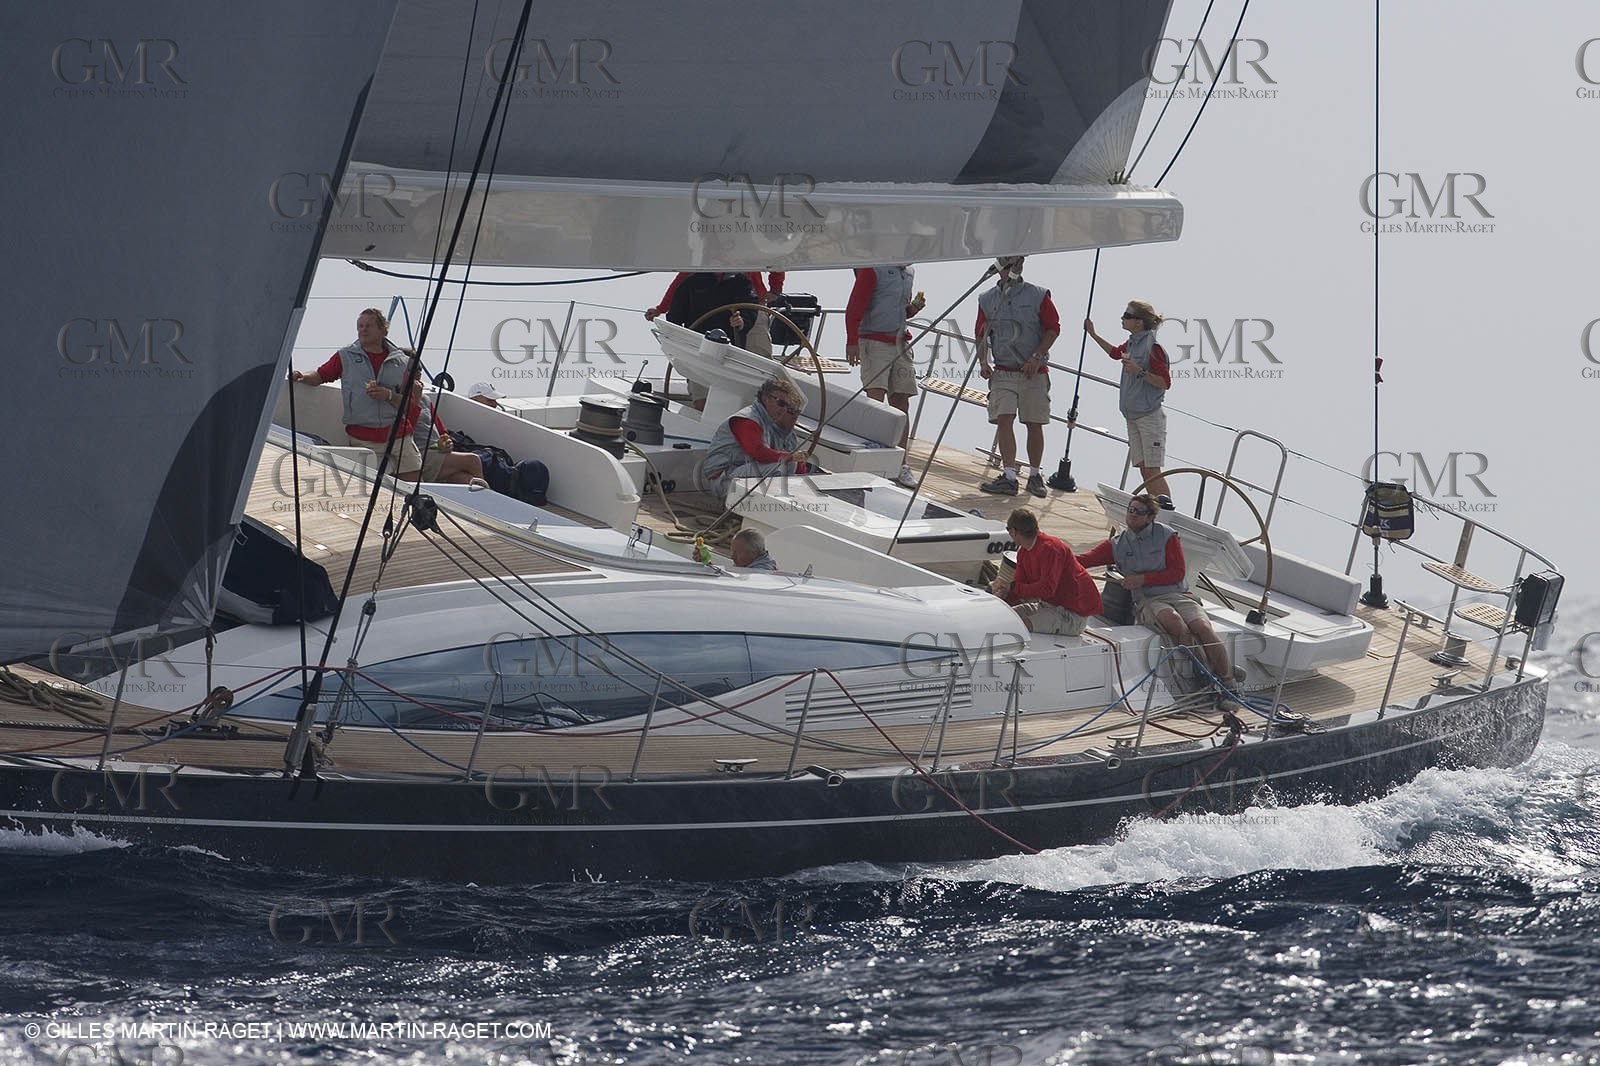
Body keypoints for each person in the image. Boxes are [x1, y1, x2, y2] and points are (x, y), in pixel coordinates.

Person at [1079, 493, 1241, 710]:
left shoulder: (1166, 536)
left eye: (1139, 512)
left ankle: (1229, 682)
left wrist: (1142, 579)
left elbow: (1177, 572)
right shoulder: (1117, 545)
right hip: (1149, 601)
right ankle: (1205, 675)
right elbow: (1085, 560)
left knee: (1203, 627)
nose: (1132, 514)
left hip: (1179, 595)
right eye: (1130, 509)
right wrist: (1053, 555)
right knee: (1175, 623)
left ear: (1150, 517)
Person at [290, 308, 425, 480]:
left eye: (369, 326)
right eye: (360, 326)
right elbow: (320, 375)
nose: (363, 330)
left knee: (412, 479)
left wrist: (389, 395)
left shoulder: (403, 362)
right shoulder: (345, 356)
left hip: (399, 436)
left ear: (384, 331)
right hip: (364, 438)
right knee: (370, 483)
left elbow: (409, 405)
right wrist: (302, 377)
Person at [976, 256, 1059, 498]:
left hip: (1033, 372)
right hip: (1003, 371)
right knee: (1004, 419)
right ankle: (1009, 475)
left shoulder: (1039, 294)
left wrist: (1037, 356)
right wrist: (983, 361)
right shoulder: (986, 298)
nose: (1009, 269)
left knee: (1034, 423)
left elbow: (1053, 328)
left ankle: (1034, 475)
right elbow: (981, 333)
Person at [1084, 300, 1174, 506]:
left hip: (1149, 416)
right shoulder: (1133, 342)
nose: (1122, 319)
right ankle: (1156, 509)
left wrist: (1139, 371)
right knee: (1143, 467)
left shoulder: (1153, 348)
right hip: (1133, 415)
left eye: (1127, 315)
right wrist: (1093, 334)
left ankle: (1166, 508)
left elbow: (1165, 382)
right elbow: (1115, 353)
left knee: (1152, 468)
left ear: (1139, 322)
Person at [844, 265, 925, 488]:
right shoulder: (872, 270)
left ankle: (901, 464)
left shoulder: (909, 273)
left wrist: (912, 310)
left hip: (900, 342)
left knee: (901, 403)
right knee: (876, 400)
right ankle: (871, 458)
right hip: (873, 341)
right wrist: (852, 342)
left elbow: (899, 309)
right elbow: (855, 307)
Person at [653, 272, 760, 411]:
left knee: (729, 400)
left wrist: (742, 321)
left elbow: (750, 308)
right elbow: (675, 316)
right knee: (701, 401)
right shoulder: (690, 282)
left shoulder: (741, 281)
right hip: (697, 352)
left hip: (730, 355)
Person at [988, 508, 1101, 635]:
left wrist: (1012, 587)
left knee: (1017, 625)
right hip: (1047, 606)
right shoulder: (1024, 552)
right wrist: (1001, 598)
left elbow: (1047, 589)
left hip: (1071, 615)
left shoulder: (1051, 549)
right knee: (1004, 617)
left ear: (1014, 532)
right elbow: (1019, 586)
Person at [700, 378, 809, 501]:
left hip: (738, 474)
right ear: (766, 398)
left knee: (789, 464)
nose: (784, 410)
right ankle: (764, 506)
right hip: (722, 480)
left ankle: (775, 505)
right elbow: (758, 452)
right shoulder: (748, 420)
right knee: (784, 466)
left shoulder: (766, 422)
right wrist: (791, 457)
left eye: (788, 408)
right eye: (781, 403)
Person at [647, 271, 784, 358]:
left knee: (760, 357)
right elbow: (684, 279)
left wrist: (775, 289)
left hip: (752, 307)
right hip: (713, 313)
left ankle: (767, 396)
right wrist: (662, 308)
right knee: (707, 356)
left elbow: (774, 257)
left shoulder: (750, 235)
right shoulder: (708, 242)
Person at [413, 393, 484, 484]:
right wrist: (415, 402)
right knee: (473, 460)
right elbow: (405, 430)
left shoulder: (425, 399)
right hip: (419, 454)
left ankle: (485, 495)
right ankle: (488, 496)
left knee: (464, 479)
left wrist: (447, 442)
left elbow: (442, 431)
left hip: (437, 451)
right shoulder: (399, 402)